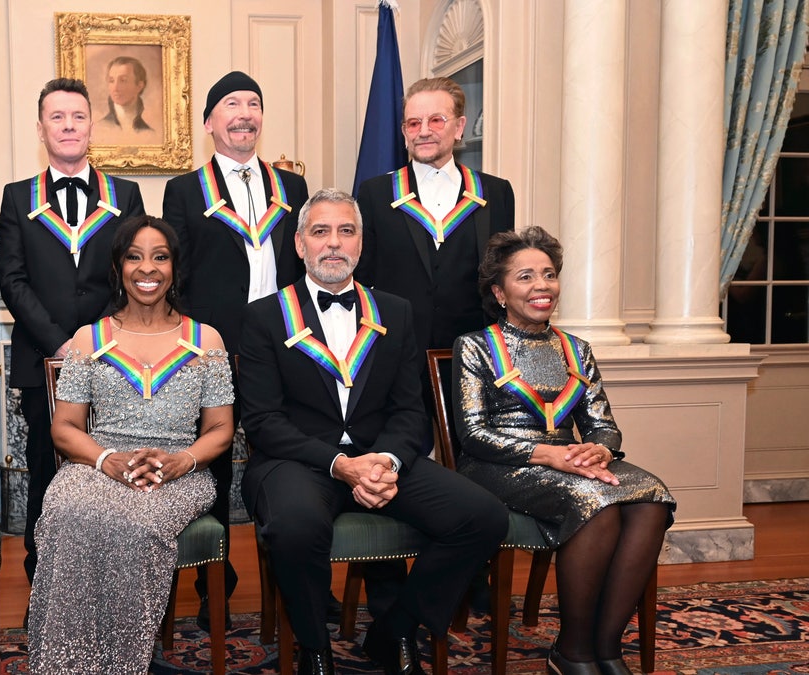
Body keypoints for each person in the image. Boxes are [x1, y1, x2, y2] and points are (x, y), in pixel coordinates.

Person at [238, 188, 508, 675]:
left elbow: (409, 409)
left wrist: (384, 461)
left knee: (482, 516)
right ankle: (314, 649)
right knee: (295, 528)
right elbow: (262, 421)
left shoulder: (397, 312)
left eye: (347, 231)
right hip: (297, 462)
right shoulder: (263, 316)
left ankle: (396, 629)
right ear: (299, 245)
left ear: (362, 243)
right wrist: (340, 465)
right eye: (321, 232)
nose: (334, 244)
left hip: (380, 459)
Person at [453, 226, 676, 675]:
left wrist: (599, 450)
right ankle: (572, 650)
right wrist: (549, 455)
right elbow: (473, 434)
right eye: (526, 277)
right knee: (596, 503)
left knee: (652, 495)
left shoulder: (578, 349)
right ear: (499, 291)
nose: (542, 286)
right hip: (498, 465)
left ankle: (606, 646)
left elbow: (604, 425)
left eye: (549, 275)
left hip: (570, 461)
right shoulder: (475, 347)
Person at [28, 216, 234, 674]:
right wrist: (106, 460)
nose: (148, 268)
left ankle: (124, 662)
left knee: (135, 525)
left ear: (174, 267)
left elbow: (221, 429)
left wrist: (183, 460)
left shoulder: (207, 340)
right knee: (65, 510)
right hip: (99, 462)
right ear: (119, 267)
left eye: (160, 257)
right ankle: (64, 663)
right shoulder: (90, 338)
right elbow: (64, 428)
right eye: (135, 257)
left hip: (181, 471)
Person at [162, 71, 309, 624]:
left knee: (290, 463)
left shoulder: (291, 188)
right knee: (213, 470)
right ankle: (213, 589)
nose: (244, 113)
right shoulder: (185, 190)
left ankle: (294, 581)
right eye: (231, 104)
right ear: (209, 123)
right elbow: (176, 277)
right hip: (213, 353)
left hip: (287, 349)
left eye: (254, 103)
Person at [0, 78, 145, 585]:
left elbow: (136, 274)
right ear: (41, 129)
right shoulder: (17, 198)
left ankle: (112, 576)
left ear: (91, 127)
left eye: (77, 116)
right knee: (46, 469)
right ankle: (46, 579)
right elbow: (13, 282)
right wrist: (62, 346)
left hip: (114, 360)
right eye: (56, 117)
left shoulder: (125, 194)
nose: (67, 126)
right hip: (44, 363)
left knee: (111, 470)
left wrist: (95, 343)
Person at [355, 76, 514, 436]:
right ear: (403, 131)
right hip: (396, 357)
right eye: (414, 123)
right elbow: (362, 280)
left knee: (471, 461)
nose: (423, 131)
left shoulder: (496, 192)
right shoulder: (375, 194)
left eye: (436, 120)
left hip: (475, 358)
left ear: (459, 128)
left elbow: (503, 282)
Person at [94, 55, 159, 144]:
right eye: (111, 81)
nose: (115, 88)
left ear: (139, 86)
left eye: (123, 80)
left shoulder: (150, 134)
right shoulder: (98, 129)